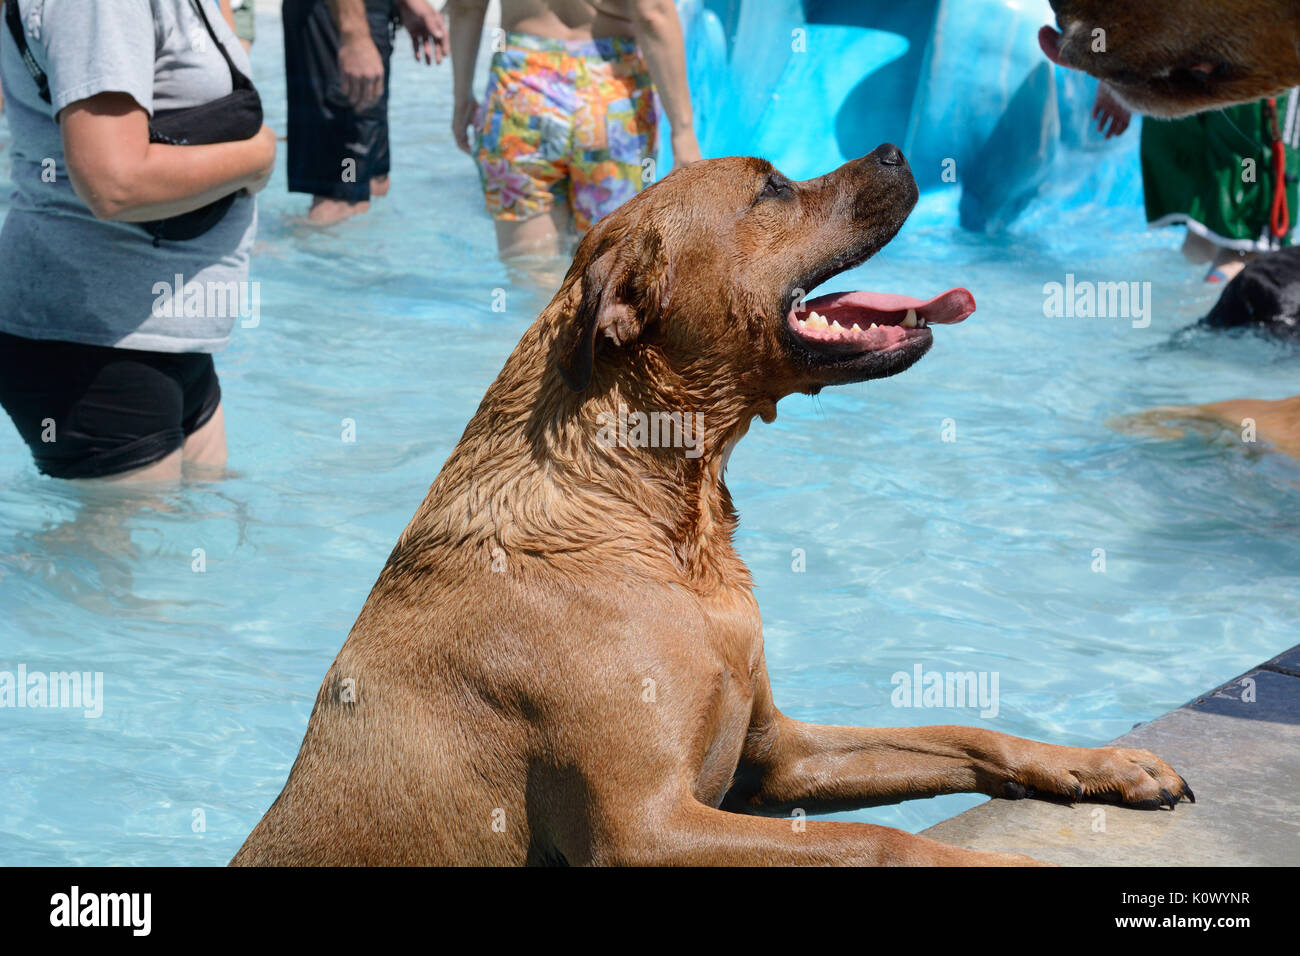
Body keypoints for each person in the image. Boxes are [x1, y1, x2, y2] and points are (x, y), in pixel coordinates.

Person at [0, 0, 276, 483]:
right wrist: (257, 156)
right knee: (127, 557)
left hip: (168, 332)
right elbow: (113, 182)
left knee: (200, 529)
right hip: (94, 342)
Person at [449, 0, 701, 259]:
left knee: (532, 265)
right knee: (608, 266)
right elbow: (653, 14)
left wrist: (462, 97)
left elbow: (465, 7)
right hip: (609, 94)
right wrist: (683, 131)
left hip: (520, 91)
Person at [1095, 81, 1300, 283]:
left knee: (1200, 237)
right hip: (1249, 71)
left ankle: (1184, 308)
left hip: (1168, 76)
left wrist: (1111, 81)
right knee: (1251, 247)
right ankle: (1214, 308)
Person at [283, 0, 448, 226]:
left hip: (366, 15)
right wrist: (353, 35)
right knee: (342, 192)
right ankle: (305, 247)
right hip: (339, 15)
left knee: (374, 179)